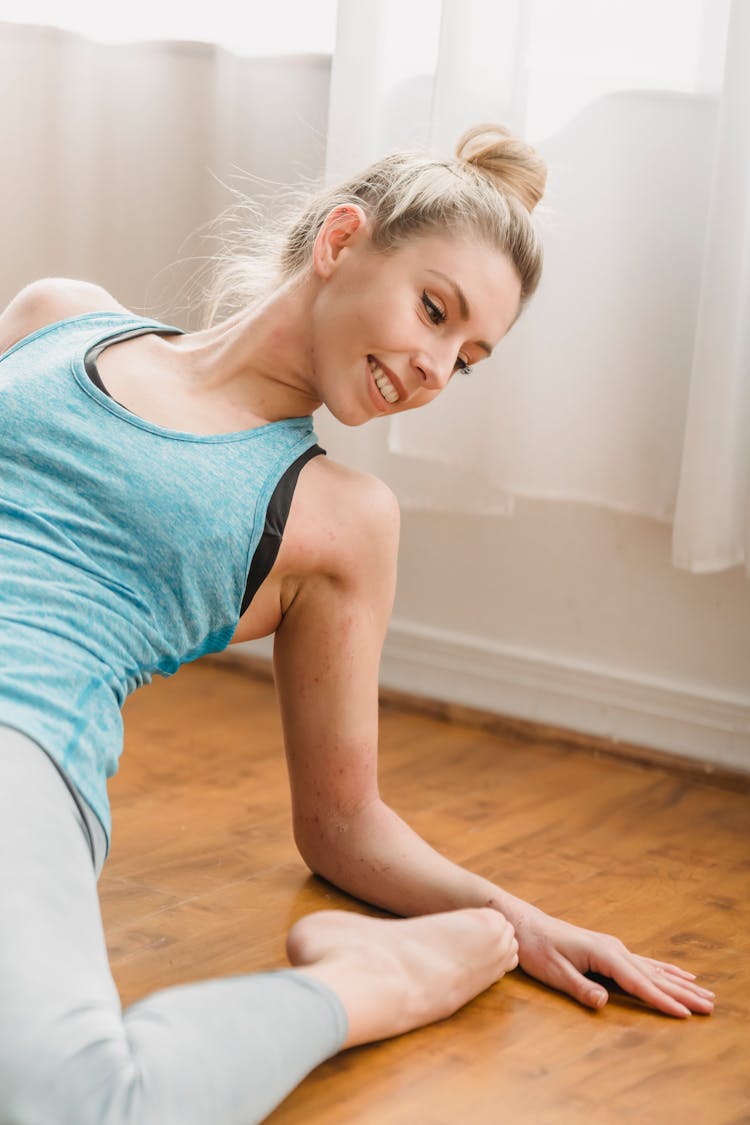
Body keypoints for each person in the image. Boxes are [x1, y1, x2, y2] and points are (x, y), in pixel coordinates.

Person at [0, 123, 713, 1125]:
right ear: (341, 241)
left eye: (466, 359)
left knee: (70, 1106)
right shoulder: (59, 315)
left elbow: (342, 823)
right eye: (434, 311)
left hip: (21, 737)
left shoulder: (336, 518)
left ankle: (377, 980)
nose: (435, 368)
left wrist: (517, 922)